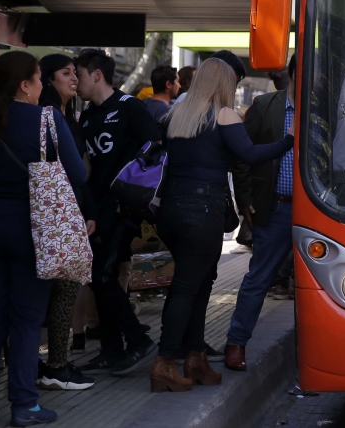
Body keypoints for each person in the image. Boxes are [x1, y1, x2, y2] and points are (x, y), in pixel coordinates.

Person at [149, 58, 292, 393]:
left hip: (172, 208)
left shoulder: (176, 115)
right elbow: (250, 154)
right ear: (224, 84)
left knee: (198, 283)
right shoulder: (224, 115)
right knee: (188, 287)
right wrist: (288, 140)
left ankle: (195, 359)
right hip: (203, 210)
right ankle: (164, 363)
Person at [0, 51, 86, 426]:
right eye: (39, 79)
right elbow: (78, 174)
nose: (42, 86)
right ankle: (24, 405)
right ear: (24, 85)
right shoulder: (46, 119)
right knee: (27, 321)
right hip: (33, 229)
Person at [75, 50, 158, 376]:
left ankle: (137, 340)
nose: (76, 81)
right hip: (95, 208)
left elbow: (157, 149)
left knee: (102, 276)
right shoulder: (87, 116)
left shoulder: (129, 107)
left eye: (79, 74)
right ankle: (111, 350)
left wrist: (137, 196)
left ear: (97, 75)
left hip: (121, 208)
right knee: (99, 277)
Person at [225, 54, 299, 371]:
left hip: (319, 212)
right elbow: (243, 156)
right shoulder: (266, 105)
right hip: (276, 207)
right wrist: (245, 200)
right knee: (259, 277)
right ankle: (236, 342)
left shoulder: (324, 110)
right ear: (295, 73)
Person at [35, 54, 95, 392]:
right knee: (63, 289)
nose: (74, 78)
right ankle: (55, 365)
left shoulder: (66, 117)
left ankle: (43, 364)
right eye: (65, 73)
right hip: (57, 217)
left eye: (75, 73)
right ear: (46, 79)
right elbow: (78, 173)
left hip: (62, 215)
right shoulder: (50, 117)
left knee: (59, 290)